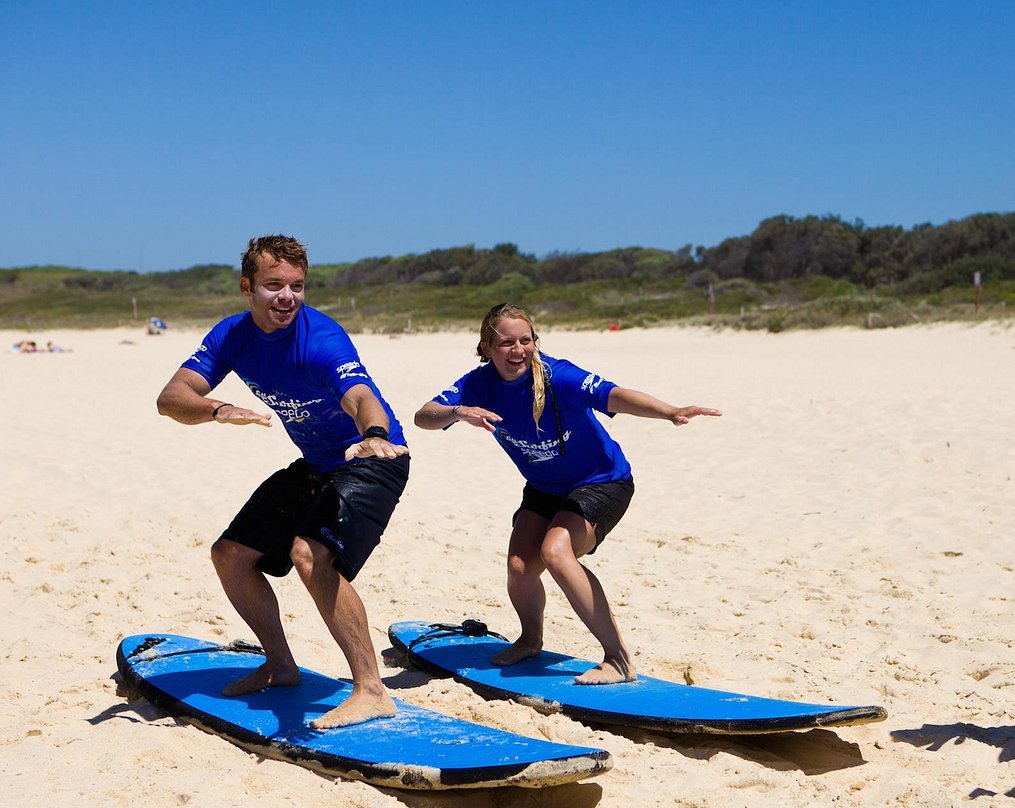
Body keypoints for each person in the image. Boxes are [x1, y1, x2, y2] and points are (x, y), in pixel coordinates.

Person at [156, 235, 410, 728]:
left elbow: (359, 395)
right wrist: (218, 409)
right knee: (230, 554)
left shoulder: (321, 338)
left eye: (296, 286)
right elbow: (171, 397)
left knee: (310, 555)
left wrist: (374, 433)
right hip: (318, 463)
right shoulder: (232, 335)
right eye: (274, 285)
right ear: (247, 288)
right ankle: (280, 666)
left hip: (373, 458)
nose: (287, 297)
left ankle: (372, 690)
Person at [414, 303, 721, 685]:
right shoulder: (479, 386)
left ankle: (619, 659)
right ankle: (530, 639)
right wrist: (459, 412)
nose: (518, 350)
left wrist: (669, 411)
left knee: (556, 552)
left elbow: (615, 395)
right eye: (507, 342)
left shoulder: (559, 377)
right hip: (545, 487)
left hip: (603, 481)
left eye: (525, 340)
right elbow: (424, 416)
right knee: (520, 568)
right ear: (487, 347)